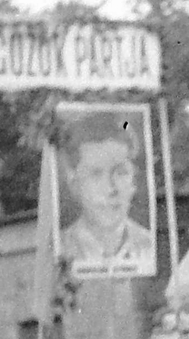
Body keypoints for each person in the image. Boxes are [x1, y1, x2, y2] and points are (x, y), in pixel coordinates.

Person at [57, 112, 154, 275]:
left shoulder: (149, 245)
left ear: (134, 180)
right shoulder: (61, 248)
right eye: (95, 174)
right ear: (75, 184)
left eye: (121, 172)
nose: (110, 189)